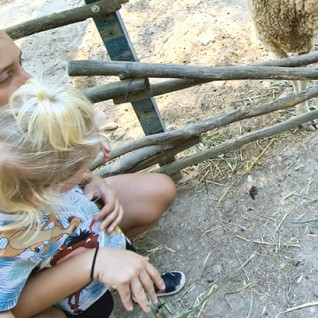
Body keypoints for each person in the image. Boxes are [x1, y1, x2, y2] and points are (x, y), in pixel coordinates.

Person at [0, 31, 183, 318]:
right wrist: (92, 264)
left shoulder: (17, 139)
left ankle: (128, 273)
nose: (30, 82)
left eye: (21, 63)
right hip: (26, 266)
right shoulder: (10, 229)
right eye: (3, 78)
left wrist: (88, 180)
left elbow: (49, 168)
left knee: (154, 192)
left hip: (64, 229)